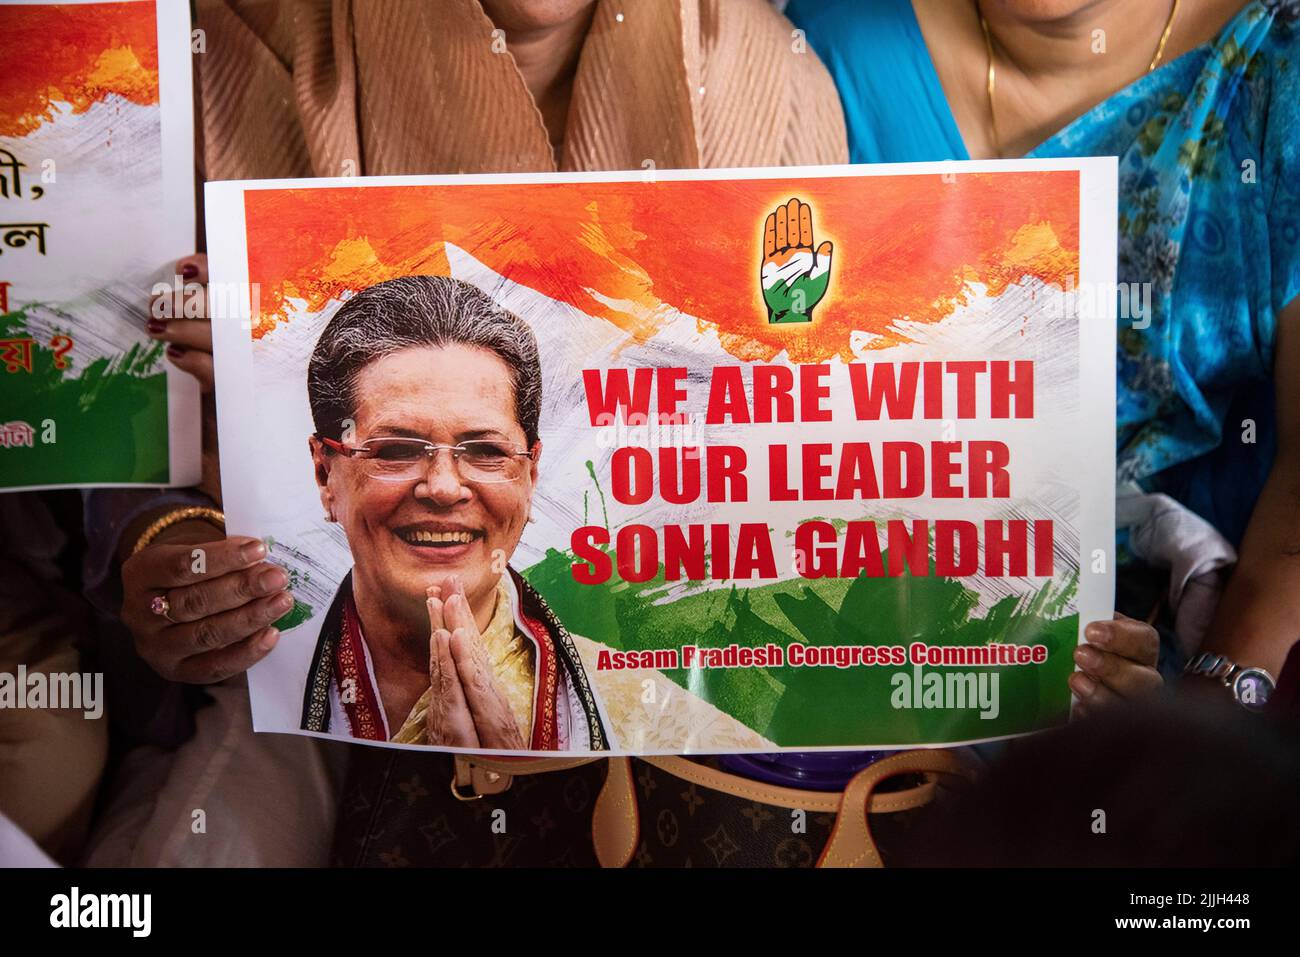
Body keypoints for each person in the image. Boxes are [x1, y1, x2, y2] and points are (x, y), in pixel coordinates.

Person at [86, 0, 842, 866]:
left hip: (670, 676)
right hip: (302, 682)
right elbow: (122, 434)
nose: (445, 481)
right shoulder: (222, 56)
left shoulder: (775, 84)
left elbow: (810, 458)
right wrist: (179, 556)